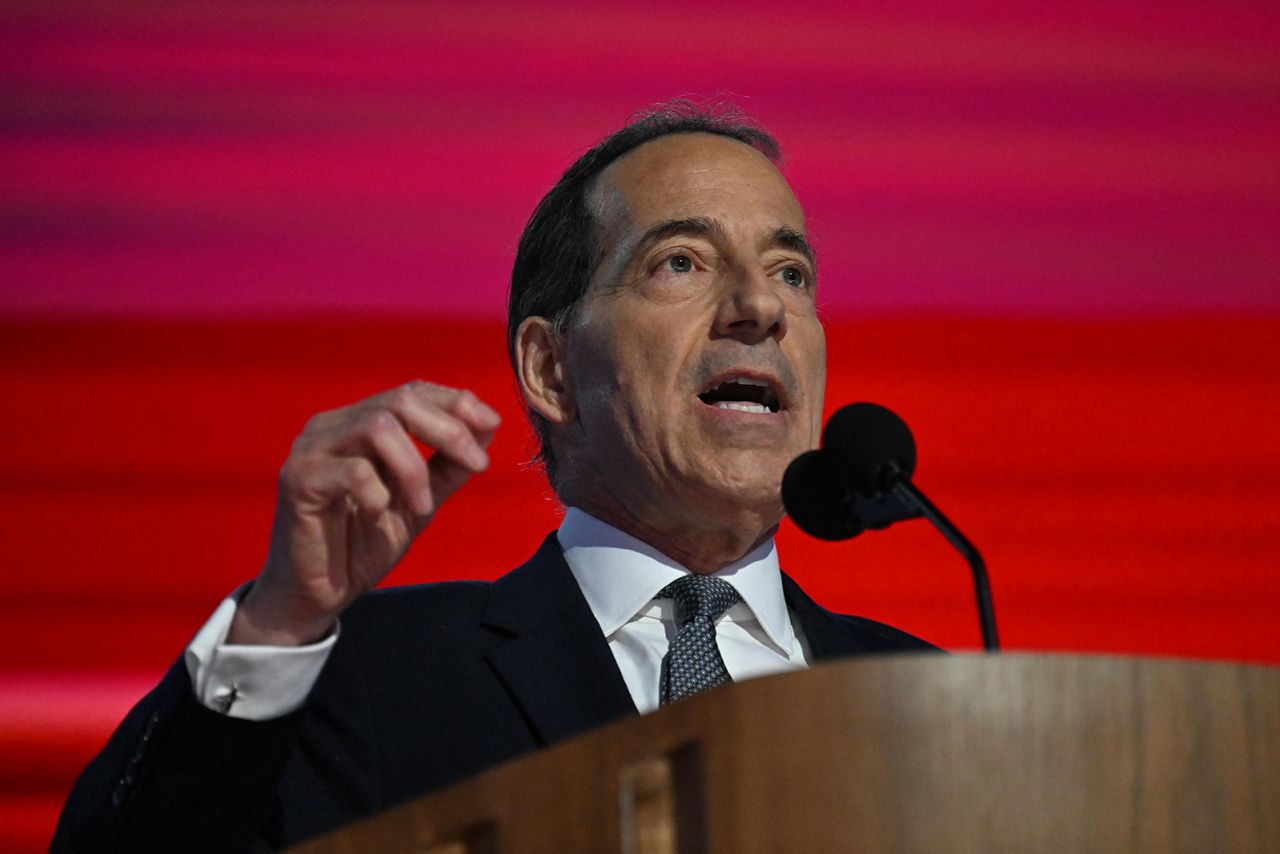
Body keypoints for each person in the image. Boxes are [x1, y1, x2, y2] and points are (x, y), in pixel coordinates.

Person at [52, 102, 936, 852]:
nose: (762, 306)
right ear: (549, 370)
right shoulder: (365, 678)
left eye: (791, 271)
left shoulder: (930, 703)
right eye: (681, 263)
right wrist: (281, 622)